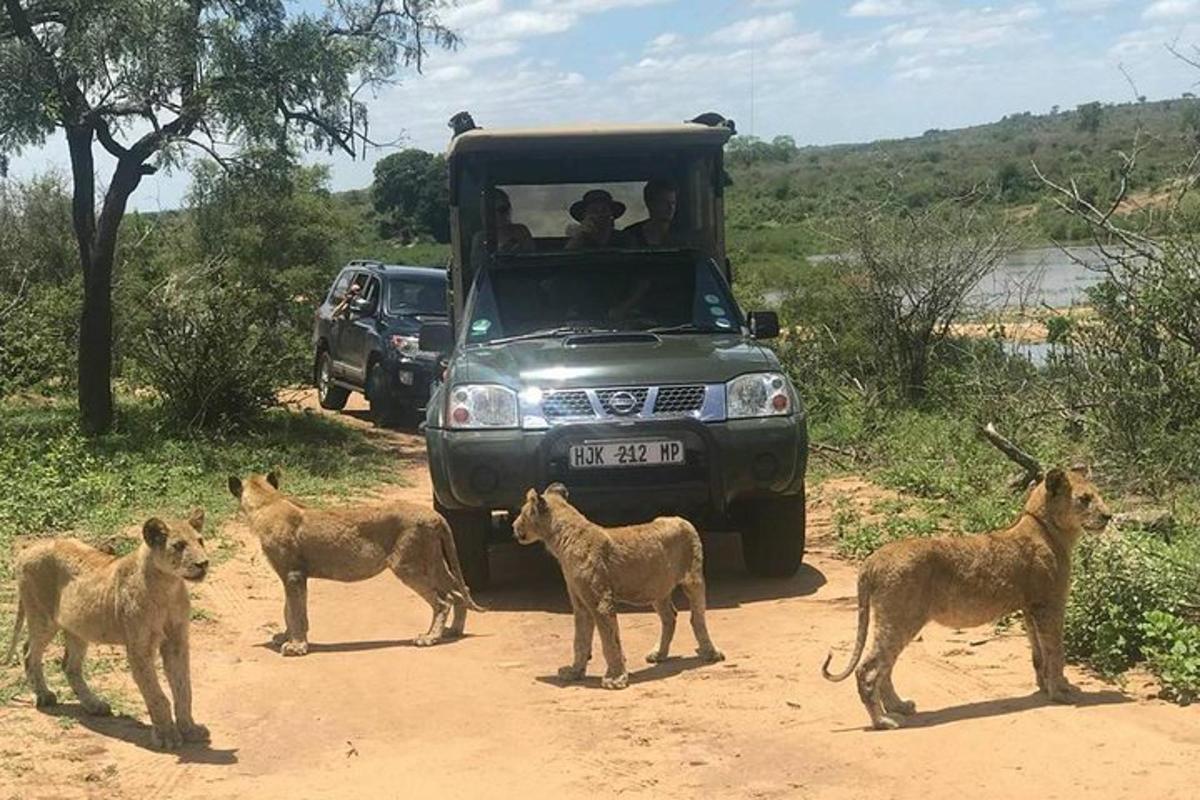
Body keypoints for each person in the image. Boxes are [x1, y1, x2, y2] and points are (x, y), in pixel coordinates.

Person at [470, 188, 534, 266]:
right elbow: (478, 269)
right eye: (499, 210)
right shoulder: (480, 239)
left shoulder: (521, 232)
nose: (502, 215)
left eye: (505, 209)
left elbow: (532, 261)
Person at [619, 178, 677, 247]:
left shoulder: (684, 234)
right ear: (650, 203)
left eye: (673, 203)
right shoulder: (630, 235)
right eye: (664, 202)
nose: (670, 208)